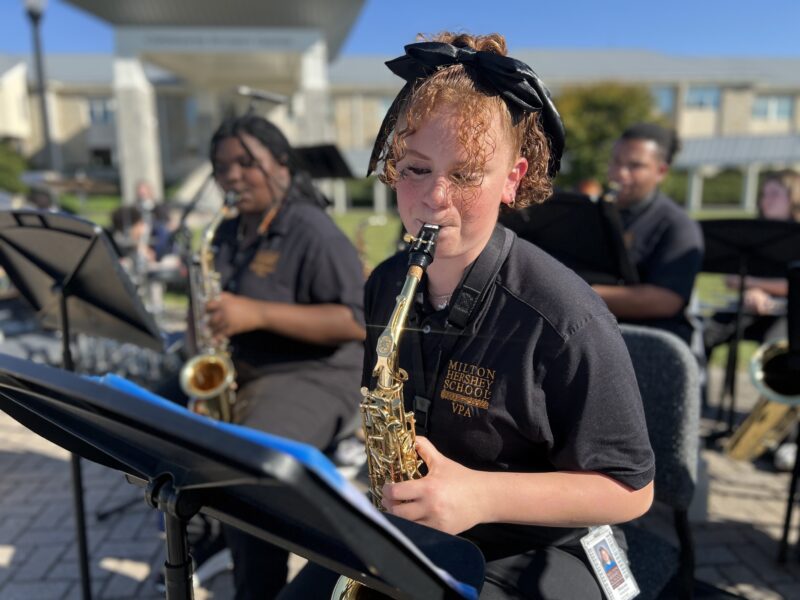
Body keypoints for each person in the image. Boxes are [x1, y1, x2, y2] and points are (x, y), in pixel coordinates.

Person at [281, 32, 654, 599]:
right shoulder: (387, 283)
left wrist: (481, 496)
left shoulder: (565, 316)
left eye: (465, 174)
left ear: (512, 178)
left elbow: (630, 489)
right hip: (426, 527)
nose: (434, 197)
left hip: (541, 543)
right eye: (415, 168)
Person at [189, 115, 367, 599]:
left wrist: (257, 313)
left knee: (250, 470)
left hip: (316, 373)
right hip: (244, 371)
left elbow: (355, 320)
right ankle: (204, 541)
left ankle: (258, 588)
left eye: (247, 163)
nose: (232, 176)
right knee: (153, 428)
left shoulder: (313, 230)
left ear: (282, 165)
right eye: (221, 166)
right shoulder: (224, 232)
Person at [592, 123, 704, 346]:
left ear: (660, 171)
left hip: (651, 346)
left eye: (635, 166)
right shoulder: (595, 213)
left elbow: (667, 300)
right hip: (597, 337)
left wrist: (579, 293)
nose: (620, 174)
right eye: (616, 162)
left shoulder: (678, 225)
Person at [703, 169, 800, 357]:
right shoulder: (753, 233)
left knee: (777, 348)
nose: (766, 200)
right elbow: (731, 277)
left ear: (794, 197)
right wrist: (751, 291)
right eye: (764, 194)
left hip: (790, 311)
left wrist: (753, 284)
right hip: (751, 305)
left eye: (775, 194)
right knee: (705, 334)